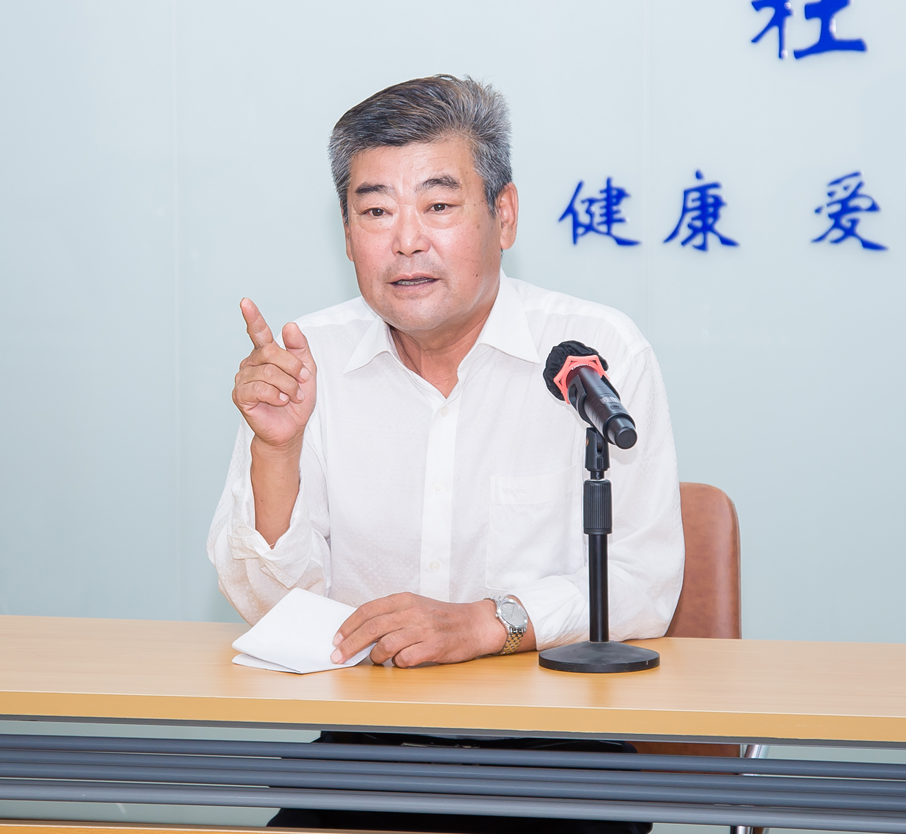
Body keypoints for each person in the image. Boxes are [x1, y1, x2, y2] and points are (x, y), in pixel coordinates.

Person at [205, 75, 683, 832]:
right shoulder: (305, 362)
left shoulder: (594, 356)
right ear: (346, 233)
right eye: (375, 211)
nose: (406, 241)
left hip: (561, 750)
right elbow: (275, 612)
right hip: (367, 752)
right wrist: (276, 452)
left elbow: (643, 582)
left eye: (438, 206)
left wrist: (487, 625)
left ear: (504, 214)